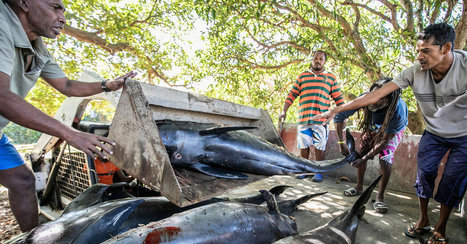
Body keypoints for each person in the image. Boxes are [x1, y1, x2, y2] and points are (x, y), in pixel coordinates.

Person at [311, 23, 466, 244]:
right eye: (418, 51)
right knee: (424, 175)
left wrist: (366, 156)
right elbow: (374, 96)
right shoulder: (414, 72)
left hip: (463, 136)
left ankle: (440, 227)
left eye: (426, 51)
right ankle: (423, 220)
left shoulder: (464, 68)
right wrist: (336, 109)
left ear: (446, 48)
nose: (419, 57)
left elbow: (386, 141)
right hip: (433, 132)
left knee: (452, 179)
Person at [0, 0, 136, 232]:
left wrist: (108, 85)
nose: (63, 17)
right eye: (55, 7)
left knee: (23, 181)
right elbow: (1, 97)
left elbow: (67, 85)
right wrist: (70, 133)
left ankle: (31, 238)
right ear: (23, 3)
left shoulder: (36, 44)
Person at [334, 77, 408, 214]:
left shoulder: (398, 112)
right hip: (373, 126)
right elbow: (339, 116)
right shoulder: (365, 98)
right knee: (362, 151)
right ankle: (359, 187)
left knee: (385, 158)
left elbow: (384, 141)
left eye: (379, 98)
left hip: (391, 131)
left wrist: (363, 159)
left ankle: (380, 196)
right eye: (372, 95)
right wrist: (341, 142)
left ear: (388, 101)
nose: (372, 100)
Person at [278, 50, 345, 182]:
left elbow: (339, 100)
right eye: (316, 58)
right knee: (304, 146)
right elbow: (291, 95)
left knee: (320, 147)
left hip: (321, 120)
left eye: (321, 59)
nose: (318, 61)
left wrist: (341, 115)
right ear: (312, 59)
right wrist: (284, 111)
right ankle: (304, 170)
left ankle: (318, 171)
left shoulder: (330, 77)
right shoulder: (303, 76)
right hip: (304, 119)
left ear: (324, 62)